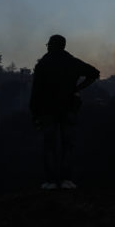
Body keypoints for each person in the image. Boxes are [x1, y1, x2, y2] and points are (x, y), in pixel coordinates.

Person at [29, 34, 100, 190]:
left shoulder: (44, 64)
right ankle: (67, 180)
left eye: (49, 45)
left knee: (49, 146)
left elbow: (36, 91)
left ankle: (51, 181)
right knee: (68, 145)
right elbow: (94, 73)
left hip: (47, 110)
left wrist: (34, 113)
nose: (47, 47)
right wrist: (77, 89)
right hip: (68, 108)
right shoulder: (72, 62)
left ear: (52, 46)